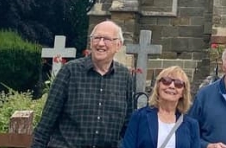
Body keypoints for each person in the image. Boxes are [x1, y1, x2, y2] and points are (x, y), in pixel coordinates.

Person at [32, 20, 135, 148]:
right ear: (91, 42)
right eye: (97, 38)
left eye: (107, 39)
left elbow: (128, 124)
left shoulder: (125, 77)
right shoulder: (70, 71)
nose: (100, 43)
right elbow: (47, 121)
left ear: (118, 45)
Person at [122, 66, 200, 148]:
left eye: (178, 84)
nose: (172, 86)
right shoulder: (139, 117)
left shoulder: (191, 125)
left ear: (183, 92)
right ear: (158, 86)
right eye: (166, 81)